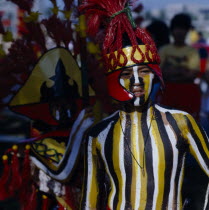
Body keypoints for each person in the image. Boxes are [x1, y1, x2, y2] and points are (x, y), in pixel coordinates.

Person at [80, 1, 209, 209]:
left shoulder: (181, 123)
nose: (137, 81)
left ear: (155, 75)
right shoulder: (98, 134)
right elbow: (89, 200)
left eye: (144, 72)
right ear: (113, 80)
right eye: (126, 74)